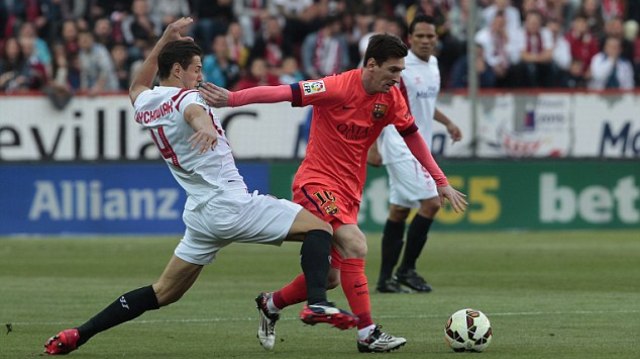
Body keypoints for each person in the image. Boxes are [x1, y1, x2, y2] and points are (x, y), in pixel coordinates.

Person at [43, 17, 356, 356]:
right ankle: (318, 303)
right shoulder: (187, 98)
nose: (200, 76)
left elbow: (136, 85)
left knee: (164, 292)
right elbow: (194, 111)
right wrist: (204, 125)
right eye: (195, 69)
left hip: (201, 213)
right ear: (177, 70)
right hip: (231, 205)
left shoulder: (147, 104)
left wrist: (163, 39)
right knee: (321, 228)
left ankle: (78, 334)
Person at [200, 33, 468, 353]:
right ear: (371, 64)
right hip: (316, 182)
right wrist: (232, 99)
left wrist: (439, 179)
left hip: (350, 190)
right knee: (356, 242)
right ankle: (367, 333)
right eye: (393, 70)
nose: (398, 78)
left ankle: (271, 303)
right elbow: (282, 92)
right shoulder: (336, 86)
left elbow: (413, 137)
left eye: (400, 71)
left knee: (330, 279)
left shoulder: (391, 98)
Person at [366, 16, 462, 295]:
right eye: (419, 36)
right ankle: (406, 269)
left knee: (399, 210)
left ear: (436, 38)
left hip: (420, 144)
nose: (425, 41)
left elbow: (424, 104)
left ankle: (385, 279)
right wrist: (373, 145)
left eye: (430, 36)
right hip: (399, 144)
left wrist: (447, 122)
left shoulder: (432, 65)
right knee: (431, 203)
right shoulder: (402, 70)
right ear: (410, 38)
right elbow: (379, 102)